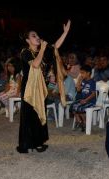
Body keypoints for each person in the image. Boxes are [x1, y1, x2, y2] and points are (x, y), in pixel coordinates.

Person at [17, 20, 71, 153]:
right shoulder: (25, 52)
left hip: (41, 88)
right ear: (27, 40)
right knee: (30, 115)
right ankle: (27, 144)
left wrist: (65, 32)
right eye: (33, 36)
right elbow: (35, 64)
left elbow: (56, 46)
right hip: (29, 89)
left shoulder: (43, 50)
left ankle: (38, 143)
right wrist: (42, 49)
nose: (37, 37)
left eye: (37, 35)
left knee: (40, 114)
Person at [70, 65, 96, 132]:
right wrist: (79, 81)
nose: (81, 74)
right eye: (80, 73)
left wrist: (85, 100)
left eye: (82, 73)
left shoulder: (92, 82)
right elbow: (78, 90)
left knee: (79, 108)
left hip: (90, 101)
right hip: (83, 100)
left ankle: (84, 122)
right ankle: (79, 122)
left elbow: (93, 94)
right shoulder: (83, 81)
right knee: (72, 106)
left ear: (88, 73)